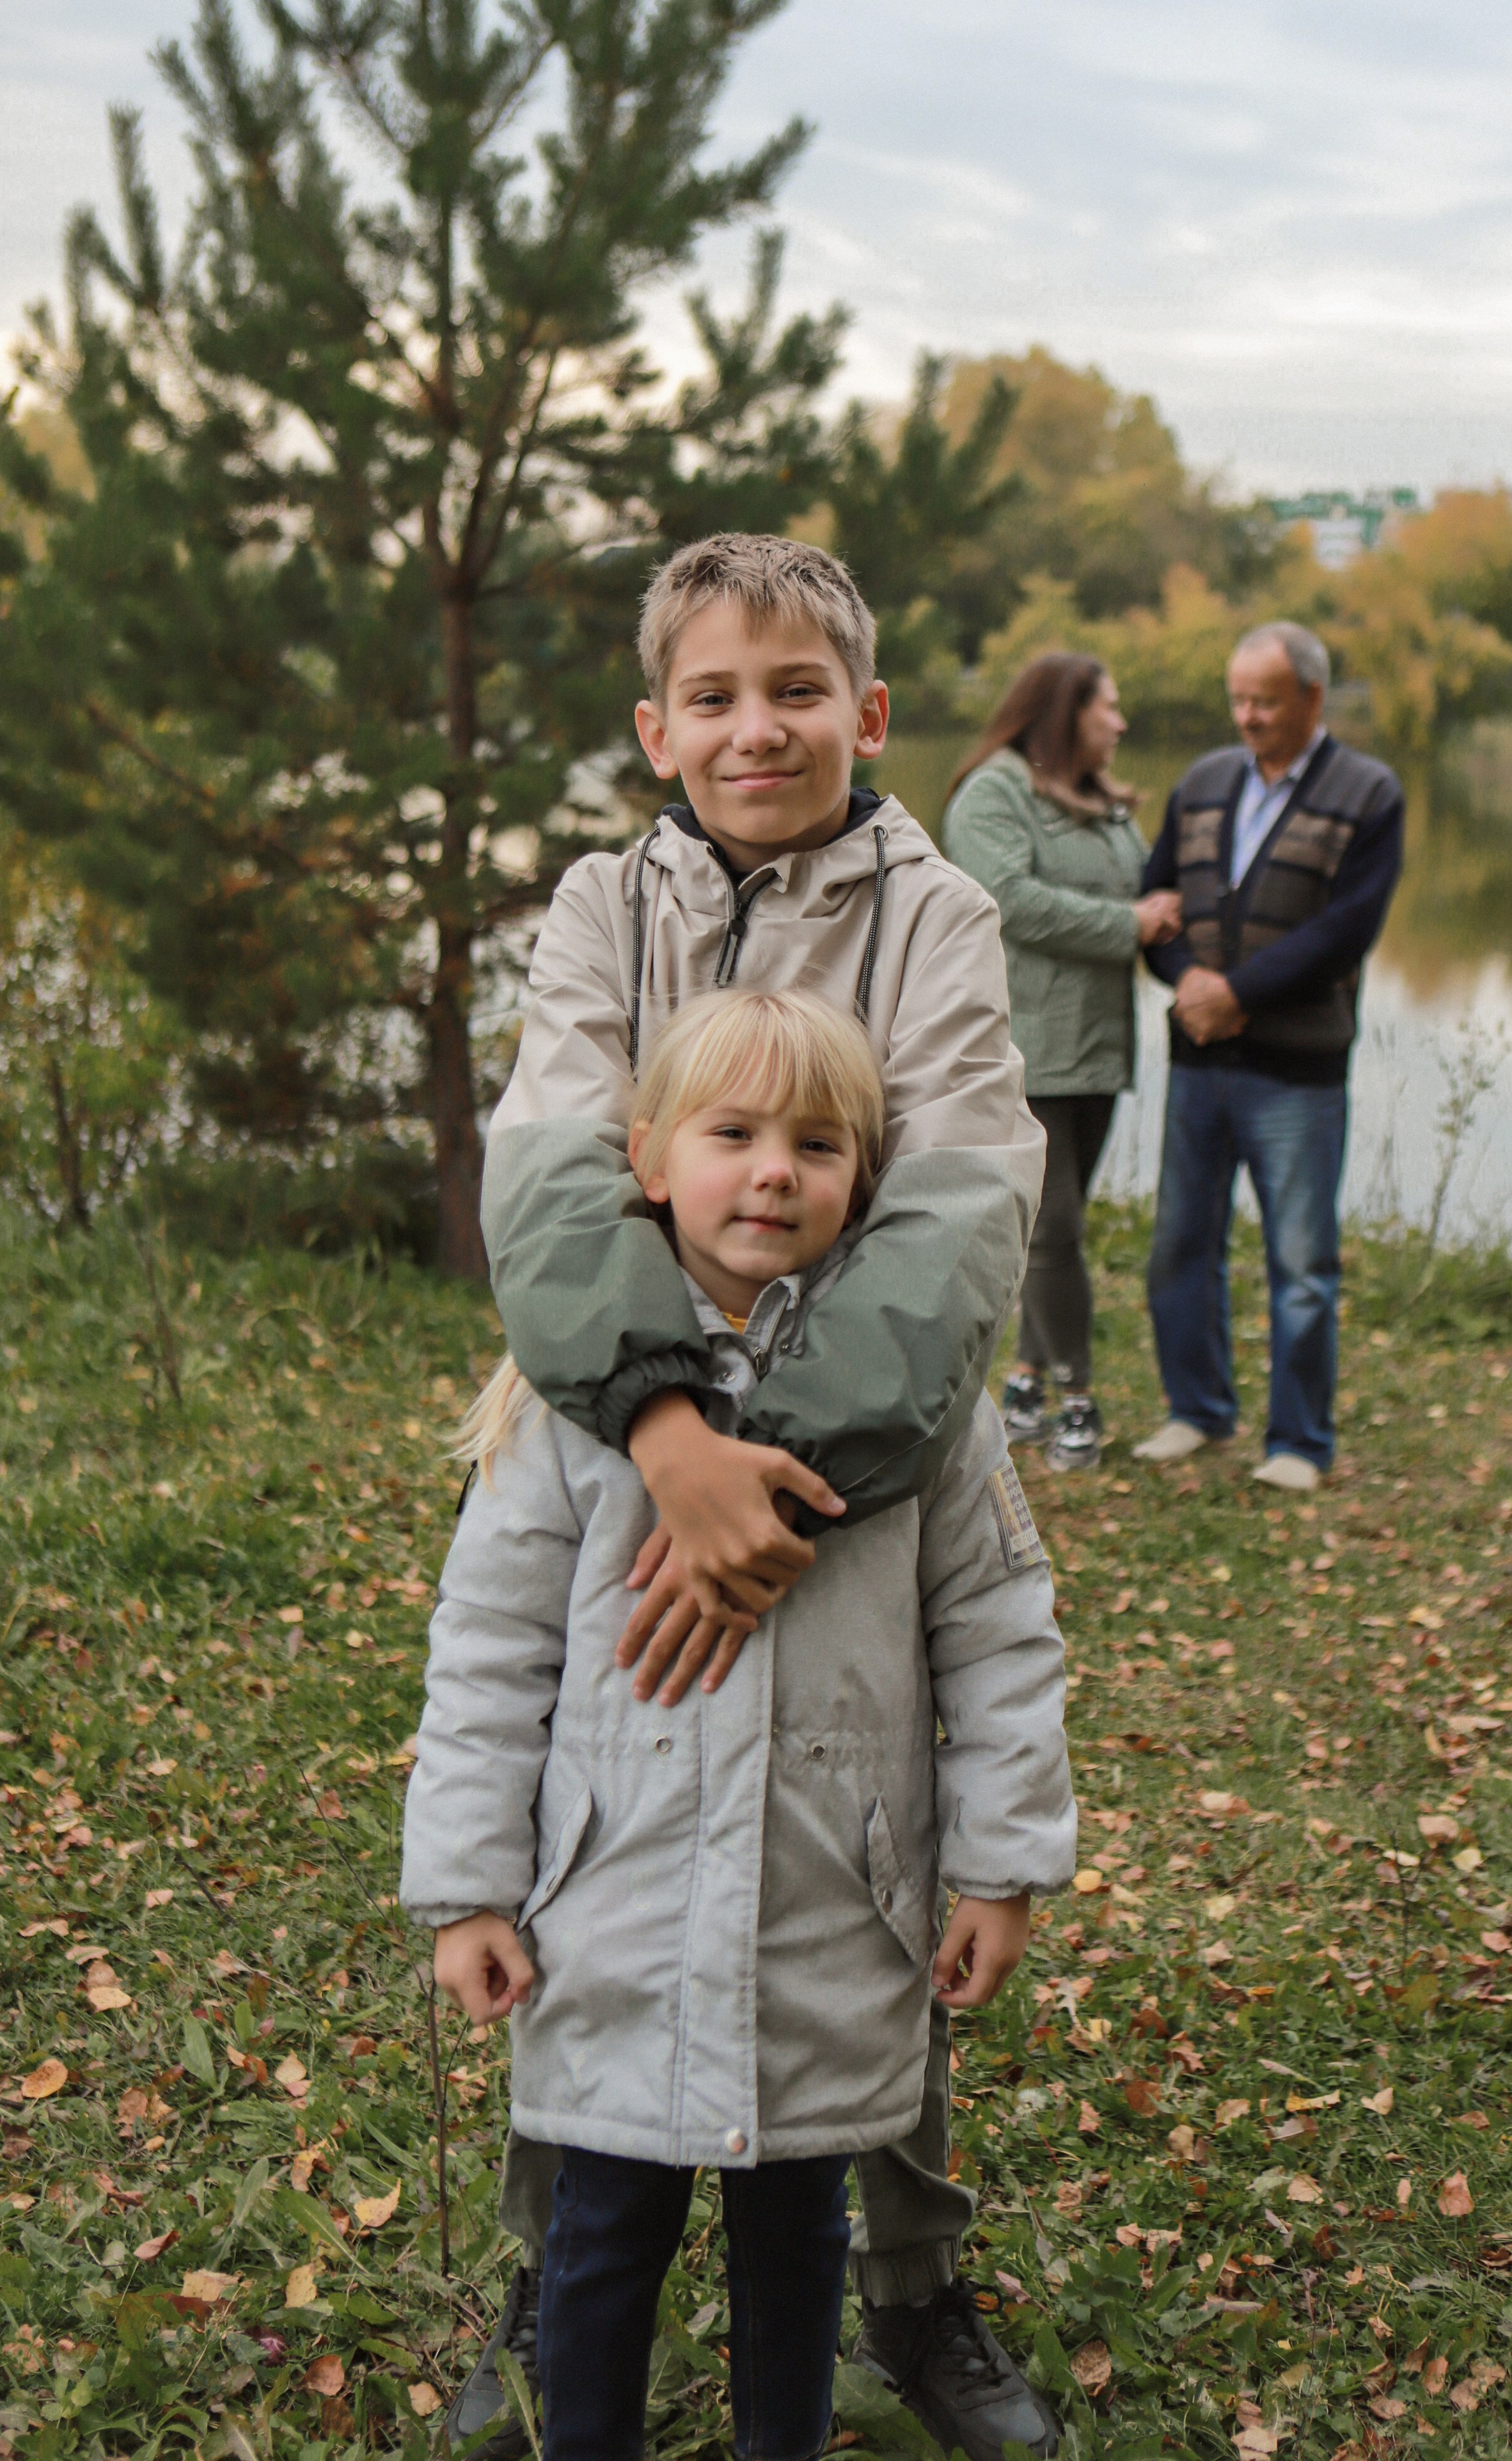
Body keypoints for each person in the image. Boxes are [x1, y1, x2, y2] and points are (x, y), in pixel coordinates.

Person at [462, 535, 1061, 2461]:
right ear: (658, 728)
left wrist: (776, 1494)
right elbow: (557, 1180)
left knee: (849, 1857)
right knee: (606, 1832)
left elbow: (963, 1212)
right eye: (711, 695)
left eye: (794, 690)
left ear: (864, 713)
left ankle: (912, 2281)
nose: (755, 728)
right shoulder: (593, 908)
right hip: (629, 1425)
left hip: (870, 1461)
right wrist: (663, 1440)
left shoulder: (939, 916)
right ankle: (549, 2264)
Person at [402, 989, 1076, 2461]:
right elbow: (488, 1649)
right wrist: (466, 1886)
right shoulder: (563, 1401)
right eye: (732, 1133)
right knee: (599, 2234)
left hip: (829, 1905)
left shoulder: (925, 1407)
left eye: (816, 1142)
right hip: (612, 1910)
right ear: (648, 1158)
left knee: (796, 2239)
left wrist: (999, 1864)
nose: (772, 1168)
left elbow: (997, 1629)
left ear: (865, 1177)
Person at [1133, 622, 1403, 1491]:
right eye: (1238, 699)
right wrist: (1187, 983)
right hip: (1199, 1055)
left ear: (1312, 700)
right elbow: (1155, 902)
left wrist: (1236, 995)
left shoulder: (1369, 792)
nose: (1246, 716)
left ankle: (1298, 1443)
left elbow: (1346, 930)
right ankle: (1198, 1411)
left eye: (1265, 700)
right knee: (1180, 1242)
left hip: (1298, 1070)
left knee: (1302, 1266)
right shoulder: (1204, 781)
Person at [943, 654, 1181, 1473]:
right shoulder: (994, 792)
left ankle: (1024, 1386)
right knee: (1056, 1229)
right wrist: (1129, 924)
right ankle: (1078, 1399)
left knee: (1058, 1232)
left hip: (1098, 1047)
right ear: (1063, 712)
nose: (1120, 724)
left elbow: (1156, 894)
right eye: (1108, 708)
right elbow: (1007, 896)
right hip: (1027, 1046)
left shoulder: (1107, 805)